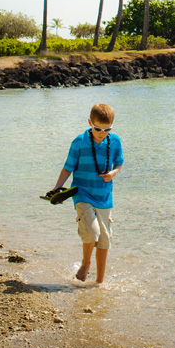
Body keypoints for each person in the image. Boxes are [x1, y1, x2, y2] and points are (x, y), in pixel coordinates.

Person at [51, 102, 123, 287]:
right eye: (97, 128)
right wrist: (57, 187)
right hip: (82, 193)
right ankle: (85, 262)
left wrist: (113, 173)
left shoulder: (114, 142)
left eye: (107, 129)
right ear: (90, 122)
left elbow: (119, 164)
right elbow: (68, 168)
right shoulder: (79, 142)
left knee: (104, 240)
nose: (102, 133)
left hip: (104, 196)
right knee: (92, 231)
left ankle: (99, 283)